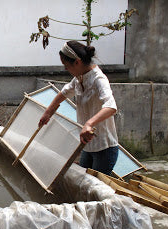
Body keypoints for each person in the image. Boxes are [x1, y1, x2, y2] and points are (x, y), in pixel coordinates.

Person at [39, 40, 118, 175]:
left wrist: (89, 123)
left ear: (77, 62)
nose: (65, 69)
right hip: (87, 145)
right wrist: (48, 112)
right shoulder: (79, 78)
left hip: (104, 148)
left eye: (66, 65)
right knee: (82, 183)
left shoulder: (98, 79)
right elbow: (64, 93)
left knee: (95, 190)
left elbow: (111, 106)